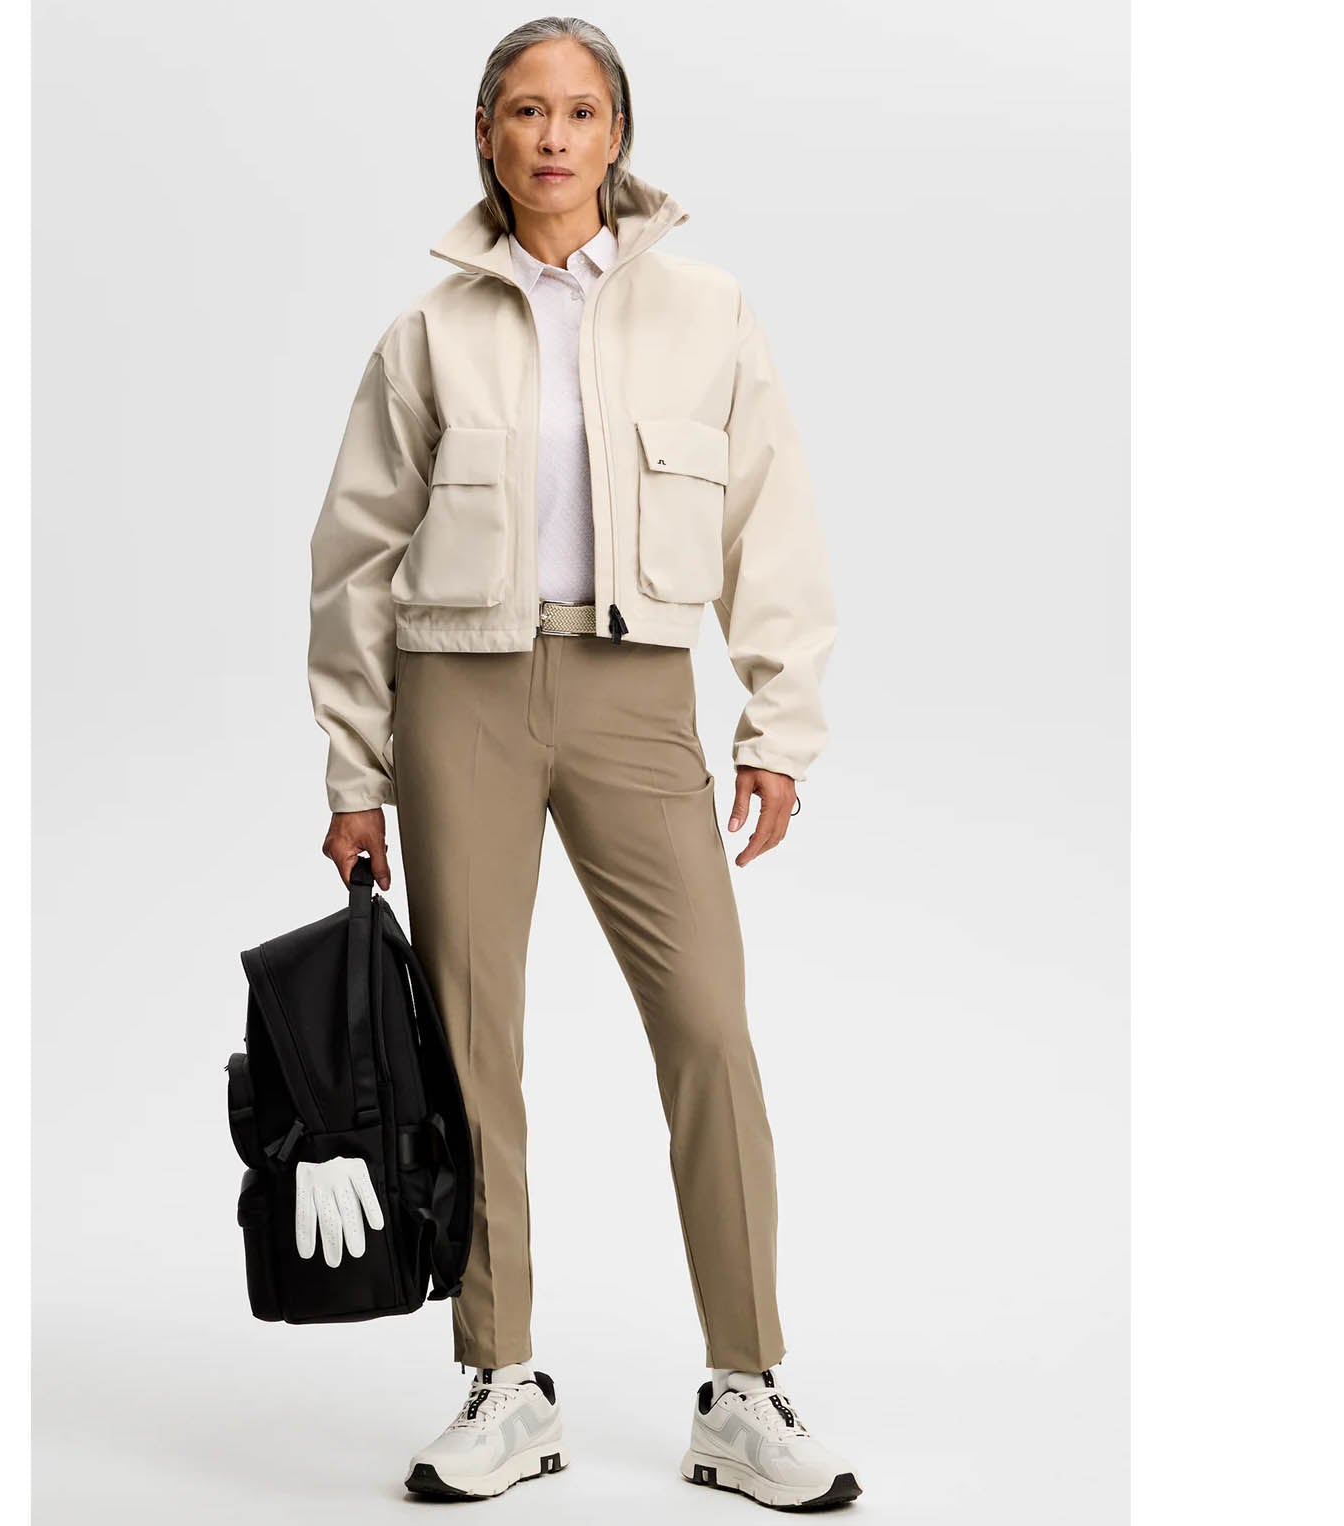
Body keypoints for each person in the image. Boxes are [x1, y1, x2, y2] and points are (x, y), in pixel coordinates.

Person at [306, 15, 861, 1510]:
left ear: (618, 135)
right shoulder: (429, 330)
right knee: (469, 1043)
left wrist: (778, 725)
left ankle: (743, 1386)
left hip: (634, 695)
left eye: (579, 110)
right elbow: (354, 560)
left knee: (709, 1028)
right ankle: (502, 1381)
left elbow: (769, 522)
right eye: (524, 110)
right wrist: (354, 771)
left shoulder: (706, 311)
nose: (552, 136)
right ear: (487, 135)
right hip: (459, 698)